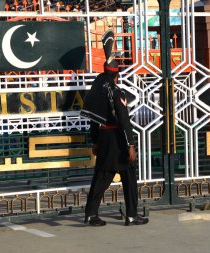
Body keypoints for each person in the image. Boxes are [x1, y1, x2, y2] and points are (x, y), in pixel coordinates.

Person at [80, 30, 148, 227]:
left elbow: (93, 118)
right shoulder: (116, 92)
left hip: (104, 138)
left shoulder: (97, 90)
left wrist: (95, 141)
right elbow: (124, 119)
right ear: (117, 75)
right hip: (118, 140)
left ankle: (94, 214)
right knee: (121, 177)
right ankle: (130, 215)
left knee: (105, 176)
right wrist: (131, 145)